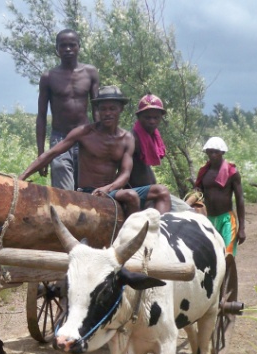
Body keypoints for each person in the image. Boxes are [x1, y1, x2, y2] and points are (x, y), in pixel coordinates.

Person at [20, 86, 141, 217]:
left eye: (112, 109)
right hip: (87, 192)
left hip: (110, 191)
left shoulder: (127, 138)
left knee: (139, 194)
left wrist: (108, 188)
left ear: (120, 109)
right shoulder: (84, 132)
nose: (107, 113)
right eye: (103, 109)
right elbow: (51, 153)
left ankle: (131, 235)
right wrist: (22, 177)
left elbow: (125, 174)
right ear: (97, 110)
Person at [34, 29, 100, 191]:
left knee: (87, 191)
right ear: (57, 49)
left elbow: (97, 108)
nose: (68, 49)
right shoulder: (49, 77)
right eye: (63, 46)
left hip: (86, 138)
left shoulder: (90, 73)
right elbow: (41, 116)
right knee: (64, 193)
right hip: (60, 139)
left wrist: (101, 140)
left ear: (79, 46)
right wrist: (42, 155)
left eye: (72, 45)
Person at [193, 136, 246, 256]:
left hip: (227, 219)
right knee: (211, 256)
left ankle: (229, 275)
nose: (213, 155)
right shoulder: (203, 172)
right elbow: (198, 193)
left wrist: (242, 228)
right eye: (210, 151)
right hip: (208, 219)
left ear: (222, 152)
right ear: (206, 152)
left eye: (216, 152)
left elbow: (240, 200)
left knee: (228, 256)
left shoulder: (232, 172)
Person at [128, 94, 172, 214]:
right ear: (139, 117)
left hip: (151, 192)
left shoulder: (152, 138)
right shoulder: (133, 139)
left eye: (156, 118)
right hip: (138, 193)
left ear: (161, 118)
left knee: (189, 210)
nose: (152, 121)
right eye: (147, 117)